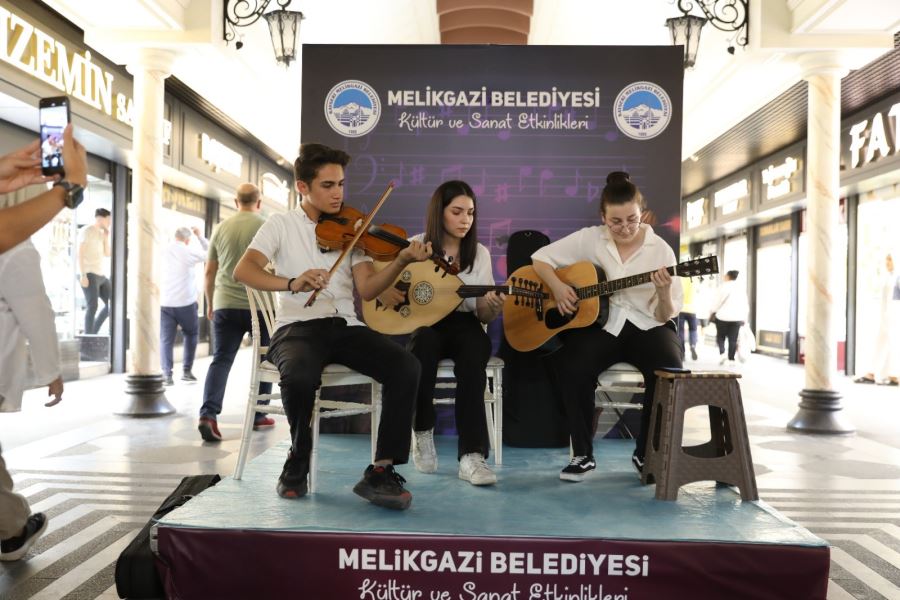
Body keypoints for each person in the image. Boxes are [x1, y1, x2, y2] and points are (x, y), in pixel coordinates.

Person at [233, 143, 430, 510]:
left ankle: (381, 471)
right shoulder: (281, 224)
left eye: (340, 183)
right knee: (301, 375)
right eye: (327, 185)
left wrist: (402, 259)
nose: (338, 193)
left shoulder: (353, 229)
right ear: (302, 187)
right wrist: (292, 282)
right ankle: (298, 457)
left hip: (345, 326)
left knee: (406, 366)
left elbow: (369, 288)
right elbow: (244, 270)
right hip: (297, 327)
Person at [530, 171, 683, 480]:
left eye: (632, 219)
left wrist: (664, 290)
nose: (625, 228)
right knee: (572, 365)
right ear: (603, 217)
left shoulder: (661, 250)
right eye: (616, 222)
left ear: (641, 213)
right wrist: (559, 289)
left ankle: (647, 454)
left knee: (669, 368)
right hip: (605, 324)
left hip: (649, 324)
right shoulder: (590, 237)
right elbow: (540, 259)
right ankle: (583, 454)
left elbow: (666, 314)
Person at [0, 126, 88, 561]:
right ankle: (13, 531)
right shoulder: (17, 250)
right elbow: (35, 313)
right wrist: (71, 187)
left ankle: (13, 530)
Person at [403, 180, 505, 486]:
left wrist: (493, 306)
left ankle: (471, 456)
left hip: (464, 323)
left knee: (476, 354)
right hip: (426, 323)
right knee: (422, 348)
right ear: (440, 212)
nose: (465, 220)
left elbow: (482, 314)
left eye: (471, 213)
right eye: (457, 212)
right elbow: (391, 290)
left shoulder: (480, 253)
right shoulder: (416, 246)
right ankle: (422, 430)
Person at [198, 184, 274, 441]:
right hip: (261, 306)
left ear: (235, 201)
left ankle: (208, 414)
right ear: (259, 202)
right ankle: (259, 414)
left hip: (225, 304)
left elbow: (209, 272)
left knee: (221, 359)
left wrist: (210, 303)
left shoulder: (221, 228)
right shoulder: (266, 225)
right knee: (266, 357)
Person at [160, 226, 208, 386]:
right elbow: (210, 253)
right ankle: (186, 371)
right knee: (191, 334)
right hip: (185, 303)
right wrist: (200, 237)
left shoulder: (164, 250)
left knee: (166, 339)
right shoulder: (188, 251)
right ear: (187, 240)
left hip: (165, 302)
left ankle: (167, 374)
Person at [855, 253, 899, 385]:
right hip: (886, 315)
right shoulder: (889, 276)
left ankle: (892, 374)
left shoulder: (897, 277)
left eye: (890, 260)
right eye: (886, 259)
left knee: (893, 344)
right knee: (882, 343)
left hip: (895, 314)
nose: (887, 262)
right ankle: (873, 373)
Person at [79, 208, 111, 334]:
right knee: (92, 306)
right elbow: (79, 253)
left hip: (101, 275)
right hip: (89, 273)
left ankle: (93, 333)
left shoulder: (101, 233)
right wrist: (83, 275)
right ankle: (88, 338)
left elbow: (107, 253)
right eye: (108, 220)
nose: (110, 222)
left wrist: (106, 237)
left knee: (113, 303)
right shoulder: (87, 230)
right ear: (101, 218)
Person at [709, 270, 749, 365]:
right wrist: (745, 317)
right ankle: (731, 359)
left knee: (721, 337)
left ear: (728, 276)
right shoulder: (740, 288)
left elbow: (716, 302)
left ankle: (722, 354)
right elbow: (745, 304)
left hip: (722, 316)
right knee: (733, 339)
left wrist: (712, 311)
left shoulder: (722, 287)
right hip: (736, 317)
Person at [678, 274, 699, 361]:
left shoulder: (679, 279)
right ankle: (693, 345)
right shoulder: (695, 280)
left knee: (680, 332)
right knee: (693, 330)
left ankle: (682, 353)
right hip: (692, 309)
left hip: (681, 309)